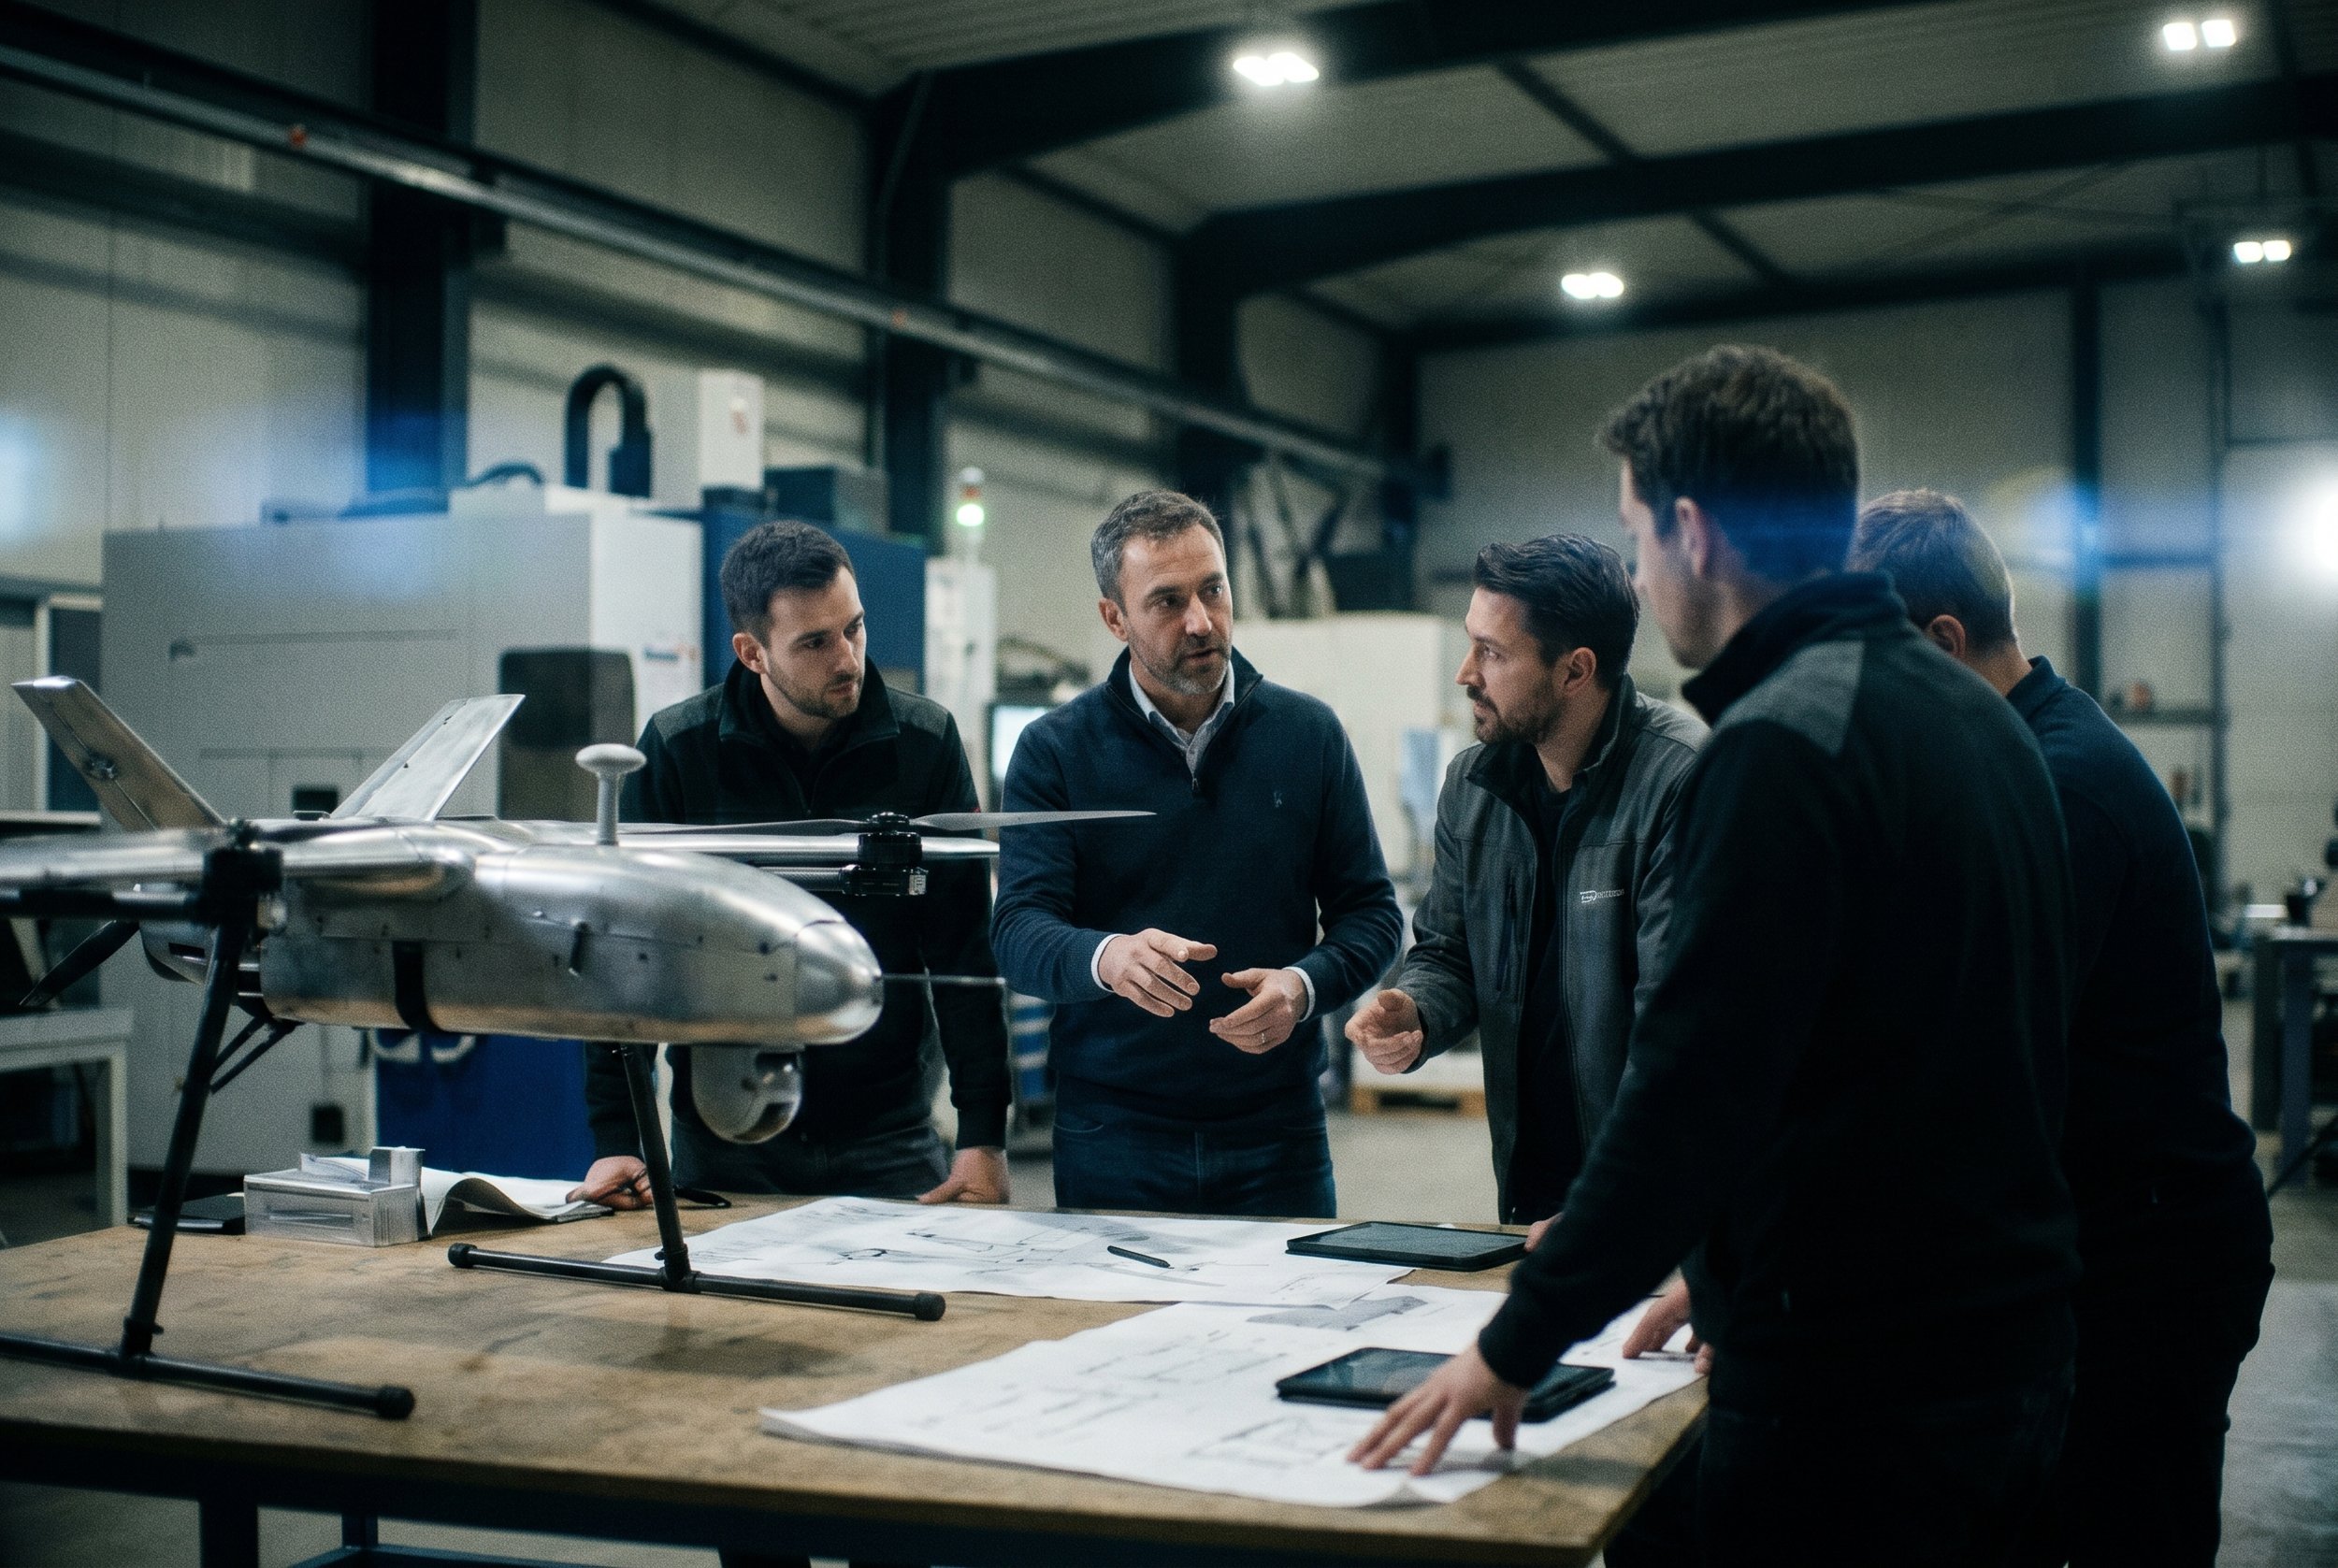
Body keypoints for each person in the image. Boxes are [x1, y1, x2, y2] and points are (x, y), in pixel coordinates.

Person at [1352, 346, 2081, 1568]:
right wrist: (1725, 1251)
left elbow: (1694, 1090)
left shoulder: (1778, 747)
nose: (1638, 574)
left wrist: (1513, 1346)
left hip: (1850, 1397)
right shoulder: (1978, 718)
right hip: (2005, 1356)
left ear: (1691, 532)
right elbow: (1905, 1064)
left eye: (1638, 536)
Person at [1848, 489, 2273, 1568]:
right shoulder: (2010, 756)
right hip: (2088, 1244)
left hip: (2150, 1269)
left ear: (1943, 646)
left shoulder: (2059, 788)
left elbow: (1960, 1066)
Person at [570, 520, 1010, 1209]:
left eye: (854, 628)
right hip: (727, 1132)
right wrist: (619, 1136)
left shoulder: (924, 744)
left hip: (889, 1134)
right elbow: (625, 956)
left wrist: (983, 1134)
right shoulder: (681, 751)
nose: (848, 659)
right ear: (752, 652)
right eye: (814, 642)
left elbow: (965, 953)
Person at [991, 489, 1401, 1217]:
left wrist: (1304, 986)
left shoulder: (1308, 735)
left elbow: (1372, 914)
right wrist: (1107, 957)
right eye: (1167, 601)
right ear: (1114, 618)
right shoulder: (1055, 750)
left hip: (1278, 1133)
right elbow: (1018, 929)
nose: (1201, 620)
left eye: (1213, 589)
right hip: (1113, 1135)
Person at [1346, 533, 1703, 1229]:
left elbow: (1679, 1029)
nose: (1465, 674)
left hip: (1651, 1199)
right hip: (1530, 1189)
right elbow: (1449, 951)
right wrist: (1416, 1011)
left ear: (1575, 671)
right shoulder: (1475, 783)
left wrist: (1616, 1202)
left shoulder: (1681, 781)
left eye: (1492, 653)